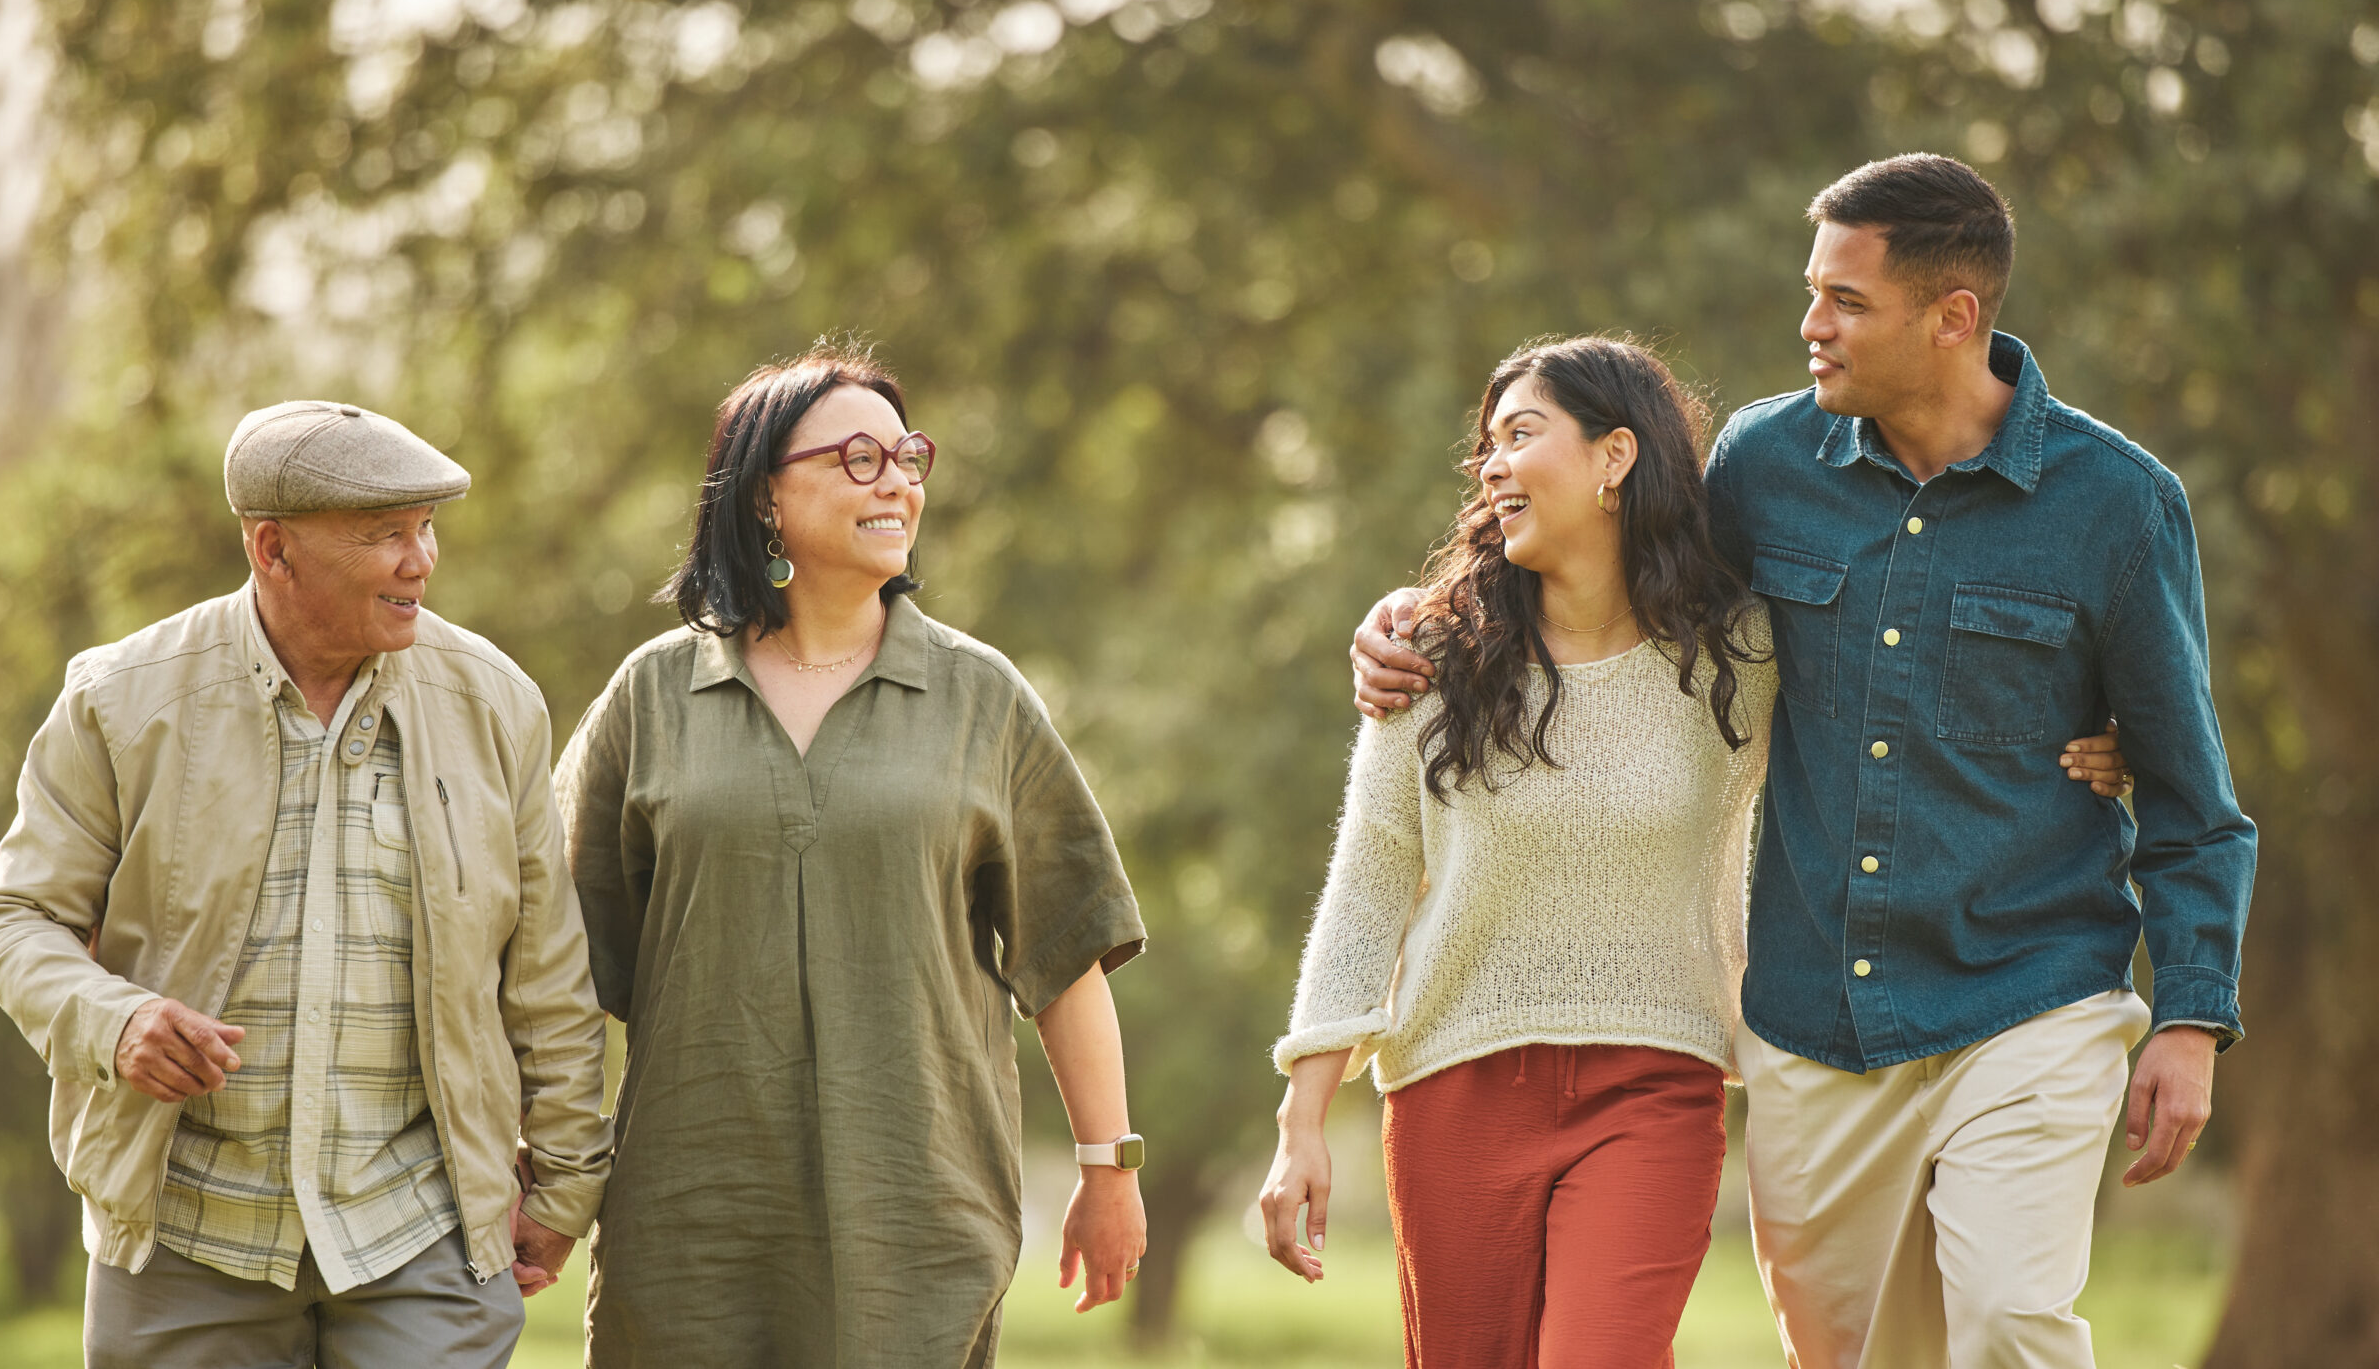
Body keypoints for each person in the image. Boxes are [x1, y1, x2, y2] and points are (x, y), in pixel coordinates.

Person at [1352, 155, 2256, 1369]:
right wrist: (1422, 610)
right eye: (1810, 290)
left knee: (2010, 1322)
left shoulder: (2118, 505)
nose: (1809, 326)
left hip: (2034, 986)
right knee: (1849, 1352)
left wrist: (2191, 1016)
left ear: (1953, 318)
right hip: (1814, 1013)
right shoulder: (1760, 465)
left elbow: (2195, 801)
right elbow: (1605, 575)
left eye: (1845, 301)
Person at [1264, 337, 2129, 1368]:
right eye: (1484, 448)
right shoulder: (1432, 660)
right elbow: (1366, 887)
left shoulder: (1737, 655)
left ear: (1614, 455)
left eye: (1521, 434)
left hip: (1652, 1082)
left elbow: (1891, 716)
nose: (1492, 465)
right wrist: (1302, 1117)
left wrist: (2091, 735)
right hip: (1453, 1090)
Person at [0, 401, 612, 1369]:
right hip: (184, 1236)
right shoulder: (117, 698)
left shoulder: (496, 701)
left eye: (425, 528)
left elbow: (546, 970)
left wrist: (562, 1188)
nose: (420, 561)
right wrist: (115, 1021)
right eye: (383, 535)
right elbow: (14, 918)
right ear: (273, 549)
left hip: (422, 1230)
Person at [558, 341, 1149, 1369]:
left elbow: (1067, 952)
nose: (899, 483)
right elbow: (554, 959)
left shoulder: (981, 696)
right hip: (690, 1227)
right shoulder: (651, 696)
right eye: (857, 459)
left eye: (908, 455)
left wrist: (1109, 1169)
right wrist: (545, 1168)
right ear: (763, 499)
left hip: (916, 1223)